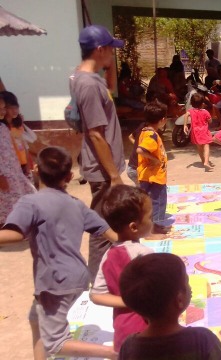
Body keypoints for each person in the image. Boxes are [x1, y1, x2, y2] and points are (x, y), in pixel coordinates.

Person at [0, 146, 117, 360]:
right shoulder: (76, 204)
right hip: (78, 276)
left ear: (35, 169)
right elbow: (110, 234)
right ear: (70, 176)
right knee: (36, 318)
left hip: (55, 281)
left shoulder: (31, 202)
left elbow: (16, 234)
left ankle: (113, 353)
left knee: (56, 343)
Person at [72, 24, 126, 282]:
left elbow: (108, 92)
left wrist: (111, 70)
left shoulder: (86, 77)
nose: (111, 55)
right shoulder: (88, 85)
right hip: (103, 170)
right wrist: (114, 176)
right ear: (100, 49)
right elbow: (95, 133)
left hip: (106, 167)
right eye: (110, 51)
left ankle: (110, 271)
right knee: (101, 226)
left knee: (110, 221)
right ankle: (96, 279)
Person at [118, 253, 221, 359]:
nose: (190, 288)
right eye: (187, 282)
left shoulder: (129, 347)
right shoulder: (202, 339)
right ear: (179, 299)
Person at [90, 185, 154, 352]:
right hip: (147, 330)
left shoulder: (108, 255)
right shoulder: (144, 255)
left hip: (122, 331)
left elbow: (96, 295)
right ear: (134, 227)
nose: (152, 221)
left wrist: (125, 301)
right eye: (150, 217)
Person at [136, 100, 171, 237]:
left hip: (152, 175)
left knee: (156, 201)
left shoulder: (146, 131)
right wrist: (155, 160)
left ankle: (156, 226)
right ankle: (151, 231)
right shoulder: (151, 135)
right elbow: (140, 150)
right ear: (162, 120)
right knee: (156, 202)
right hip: (153, 177)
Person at [0, 94, 35, 225]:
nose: (3, 111)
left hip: (15, 170)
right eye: (2, 108)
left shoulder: (5, 127)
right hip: (5, 174)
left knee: (25, 195)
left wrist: (27, 164)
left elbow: (20, 147)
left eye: (4, 107)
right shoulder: (4, 128)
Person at [186, 92, 214, 171]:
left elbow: (186, 114)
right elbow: (210, 121)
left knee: (199, 147)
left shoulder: (191, 111)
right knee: (206, 146)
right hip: (204, 131)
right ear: (202, 103)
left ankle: (203, 160)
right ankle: (206, 162)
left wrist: (185, 125)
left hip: (195, 132)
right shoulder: (205, 112)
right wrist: (209, 120)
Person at [125, 121, 147, 185]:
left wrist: (138, 145)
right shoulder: (149, 132)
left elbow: (130, 137)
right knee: (143, 192)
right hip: (136, 170)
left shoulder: (143, 125)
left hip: (132, 168)